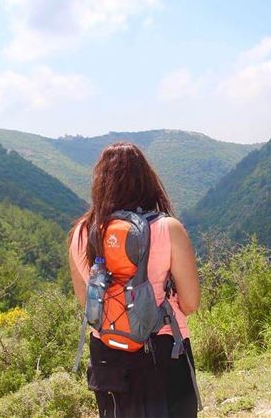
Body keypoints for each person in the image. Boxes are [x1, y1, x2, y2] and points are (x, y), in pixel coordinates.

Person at [68, 142, 201, 418]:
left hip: (107, 356)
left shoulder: (82, 232)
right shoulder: (167, 229)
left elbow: (88, 305)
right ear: (147, 180)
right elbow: (190, 303)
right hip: (163, 352)